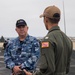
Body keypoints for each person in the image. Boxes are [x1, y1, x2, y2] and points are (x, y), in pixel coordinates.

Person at [24, 5, 73, 75]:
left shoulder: (47, 40)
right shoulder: (68, 40)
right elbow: (67, 68)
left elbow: (47, 70)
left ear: (46, 19)